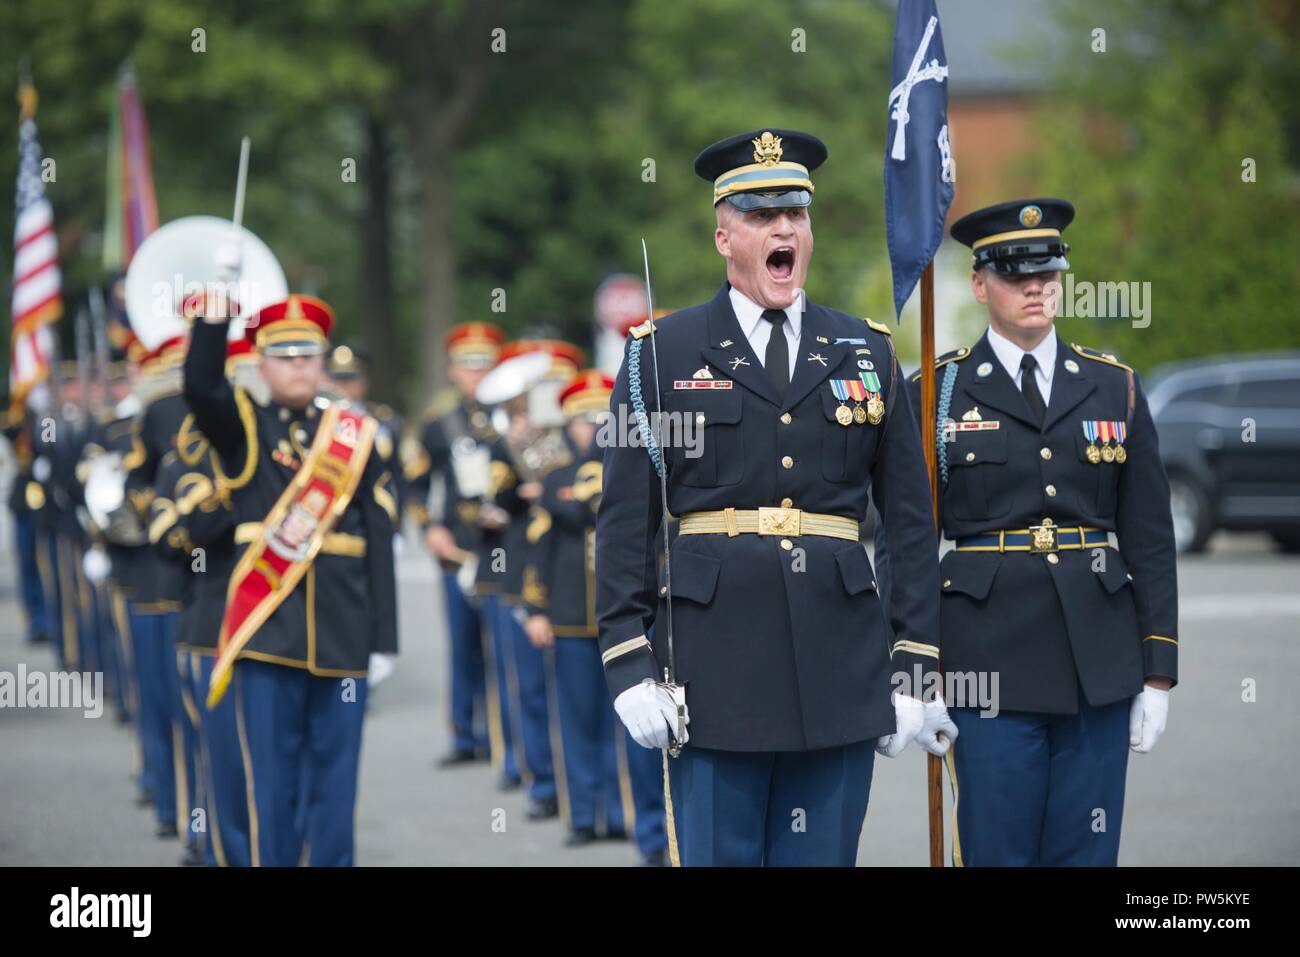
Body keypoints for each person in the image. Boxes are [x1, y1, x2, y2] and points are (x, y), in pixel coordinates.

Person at [595, 128, 953, 866]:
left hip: (839, 670)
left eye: (796, 214)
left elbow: (910, 527)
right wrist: (628, 660)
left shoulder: (865, 350)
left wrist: (914, 665)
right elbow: (626, 522)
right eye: (761, 216)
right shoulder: (663, 353)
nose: (783, 228)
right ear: (724, 235)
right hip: (713, 675)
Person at [897, 198, 1177, 866]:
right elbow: (907, 543)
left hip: (1099, 665)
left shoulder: (1115, 388)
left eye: (1047, 274)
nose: (1034, 288)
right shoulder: (936, 393)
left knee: (1087, 853)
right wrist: (912, 673)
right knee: (998, 851)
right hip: (985, 669)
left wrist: (1159, 672)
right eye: (1015, 274)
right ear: (979, 283)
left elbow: (1150, 537)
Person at [183, 292, 398, 867]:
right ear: (260, 363)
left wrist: (384, 640)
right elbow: (202, 390)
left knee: (336, 785)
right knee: (271, 785)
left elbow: (379, 537)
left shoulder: (354, 433)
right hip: (268, 637)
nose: (300, 364)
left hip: (344, 636)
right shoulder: (245, 429)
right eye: (284, 355)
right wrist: (212, 320)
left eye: (309, 354)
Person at [523, 369, 668, 864]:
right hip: (569, 618)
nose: (590, 427)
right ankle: (584, 815)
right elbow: (541, 543)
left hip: (630, 622)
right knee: (578, 721)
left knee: (638, 724)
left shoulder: (639, 465)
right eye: (580, 420)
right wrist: (536, 606)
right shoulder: (557, 477)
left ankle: (642, 826)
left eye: (597, 417)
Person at [404, 322, 502, 767]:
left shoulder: (510, 420)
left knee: (504, 648)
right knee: (463, 646)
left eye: (484, 363)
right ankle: (465, 735)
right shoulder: (438, 424)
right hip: (457, 548)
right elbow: (414, 484)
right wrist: (430, 529)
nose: (476, 373)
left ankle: (506, 742)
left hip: (505, 546)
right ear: (452, 370)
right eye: (468, 364)